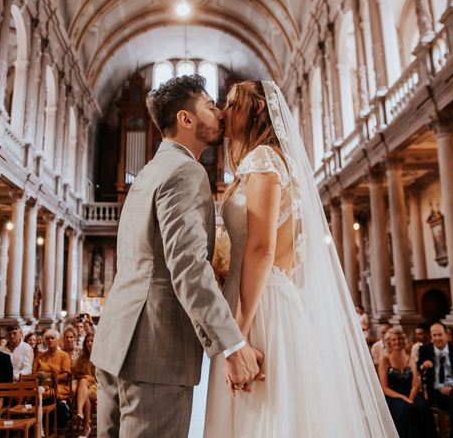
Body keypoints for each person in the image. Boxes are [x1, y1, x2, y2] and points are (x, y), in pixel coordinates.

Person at [204, 80, 396, 436]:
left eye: (232, 103)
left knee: (260, 413)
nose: (223, 111)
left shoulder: (263, 159)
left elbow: (263, 249)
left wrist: (237, 338)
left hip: (258, 306)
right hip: (256, 295)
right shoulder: (265, 163)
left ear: (258, 109)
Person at [91, 75, 263, 438]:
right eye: (210, 106)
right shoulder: (186, 171)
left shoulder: (149, 172)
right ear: (186, 119)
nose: (219, 113)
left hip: (116, 342)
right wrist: (233, 344)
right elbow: (186, 266)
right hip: (156, 350)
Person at [418, 322, 453, 438]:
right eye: (434, 335)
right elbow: (419, 368)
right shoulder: (425, 350)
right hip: (437, 393)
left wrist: (452, 386)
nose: (437, 338)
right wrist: (423, 366)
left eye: (440, 334)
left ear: (446, 335)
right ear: (431, 336)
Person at [379, 328, 436, 438]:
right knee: (405, 409)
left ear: (403, 340)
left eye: (399, 339)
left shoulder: (411, 358)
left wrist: (410, 397)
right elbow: (384, 388)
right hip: (393, 395)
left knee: (423, 407)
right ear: (389, 342)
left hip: (411, 392)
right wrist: (404, 399)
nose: (397, 342)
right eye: (394, 340)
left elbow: (415, 384)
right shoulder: (384, 359)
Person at [33, 329, 71, 401]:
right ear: (45, 342)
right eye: (47, 339)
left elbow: (65, 375)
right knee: (35, 392)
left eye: (52, 338)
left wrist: (50, 380)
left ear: (57, 340)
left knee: (47, 393)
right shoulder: (39, 357)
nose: (50, 340)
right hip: (42, 385)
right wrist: (43, 382)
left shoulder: (64, 355)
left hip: (59, 385)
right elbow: (34, 374)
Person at [73, 333, 96, 438]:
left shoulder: (100, 357)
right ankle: (84, 423)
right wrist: (85, 376)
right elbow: (75, 373)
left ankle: (80, 412)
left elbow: (106, 376)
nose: (89, 343)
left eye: (91, 341)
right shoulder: (82, 357)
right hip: (85, 387)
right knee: (82, 382)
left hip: (98, 386)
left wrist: (93, 379)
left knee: (83, 388)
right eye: (87, 341)